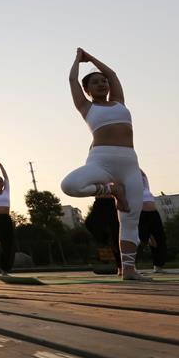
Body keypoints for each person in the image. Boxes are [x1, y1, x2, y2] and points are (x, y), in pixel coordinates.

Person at [61, 48, 149, 281]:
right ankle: (111, 190)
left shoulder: (119, 102)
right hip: (102, 162)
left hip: (129, 164)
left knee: (130, 218)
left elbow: (113, 74)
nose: (102, 84)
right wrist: (79, 60)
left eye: (103, 82)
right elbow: (72, 80)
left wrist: (92, 58)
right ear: (87, 91)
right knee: (70, 185)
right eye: (95, 83)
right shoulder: (86, 107)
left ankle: (129, 270)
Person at [139, 170, 168, 273]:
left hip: (154, 214)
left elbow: (144, 175)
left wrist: (135, 165)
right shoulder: (132, 188)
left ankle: (158, 266)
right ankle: (130, 266)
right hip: (141, 215)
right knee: (141, 239)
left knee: (159, 239)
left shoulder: (146, 187)